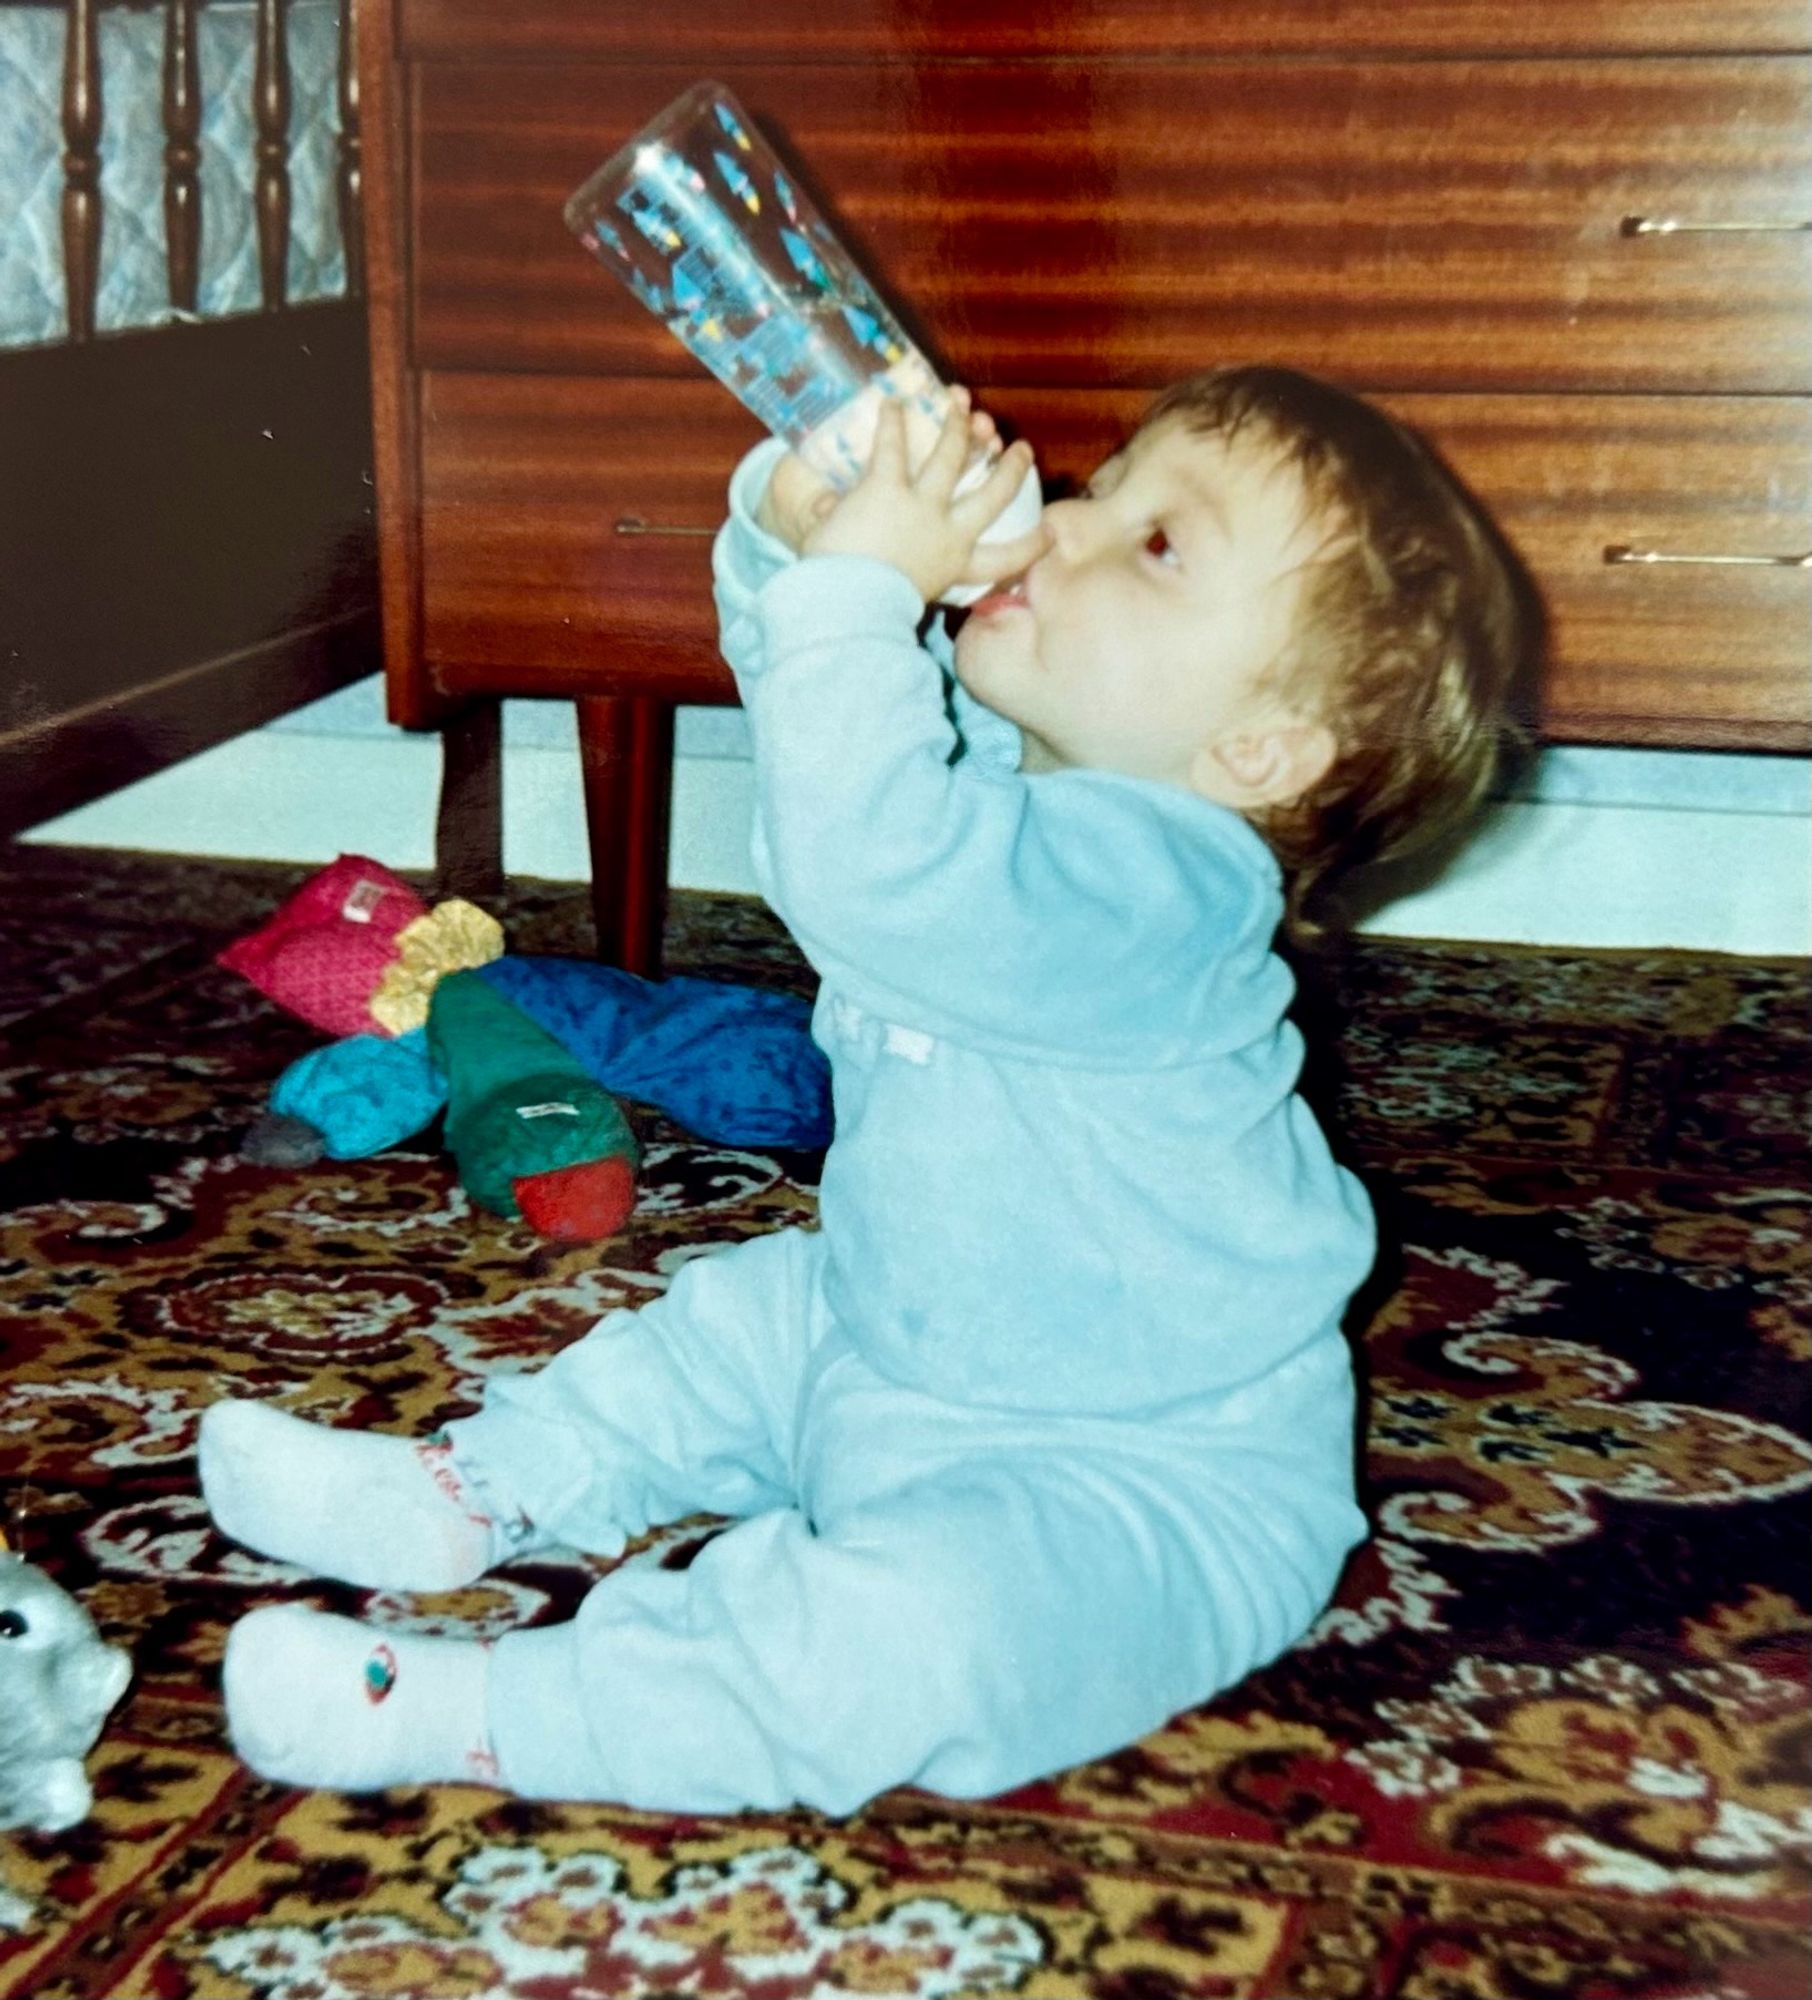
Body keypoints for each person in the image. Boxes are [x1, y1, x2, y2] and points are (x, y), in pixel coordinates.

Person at [200, 365, 1525, 1812]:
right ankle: (462, 1491)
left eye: (1158, 544)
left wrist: (861, 591)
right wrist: (788, 547)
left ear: (1255, 750)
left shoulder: (1175, 893)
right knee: (734, 1325)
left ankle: (485, 1705)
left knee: (909, 1648)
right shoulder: (1019, 804)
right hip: (899, 1335)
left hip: (1131, 1477)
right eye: (1105, 486)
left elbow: (866, 851)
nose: (1067, 525)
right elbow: (835, 736)